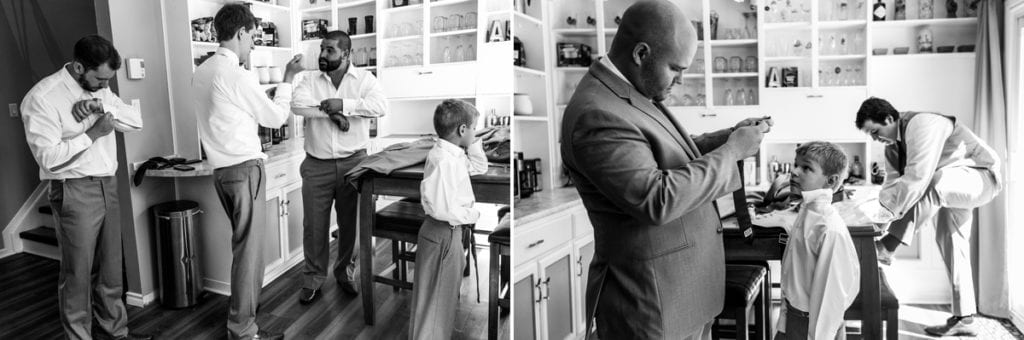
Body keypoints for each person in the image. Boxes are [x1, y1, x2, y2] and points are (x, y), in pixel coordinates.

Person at [559, 1, 772, 338]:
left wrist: (727, 137)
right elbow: (655, 198)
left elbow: (671, 153)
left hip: (678, 293)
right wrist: (732, 153)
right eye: (676, 68)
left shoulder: (630, 92)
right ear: (641, 53)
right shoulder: (596, 112)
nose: (681, 80)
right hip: (649, 304)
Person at [20, 35, 150, 340]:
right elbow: (49, 160)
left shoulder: (101, 92)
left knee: (111, 269)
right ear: (79, 67)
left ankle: (116, 333)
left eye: (108, 81)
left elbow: (136, 122)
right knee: (78, 274)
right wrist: (93, 132)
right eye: (100, 79)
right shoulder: (42, 98)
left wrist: (101, 105)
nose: (106, 85)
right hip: (73, 190)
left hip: (108, 184)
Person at [191, 4, 303, 339]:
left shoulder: (202, 70)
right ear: (240, 32)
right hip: (244, 170)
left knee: (243, 248)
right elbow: (274, 117)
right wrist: (287, 79)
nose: (253, 44)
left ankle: (242, 324)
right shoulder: (235, 73)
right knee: (250, 254)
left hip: (221, 172)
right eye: (252, 36)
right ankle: (243, 330)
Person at [855, 97, 1001, 337]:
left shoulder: (921, 124)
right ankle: (965, 318)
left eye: (875, 131)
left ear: (890, 118)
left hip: (980, 176)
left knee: (932, 184)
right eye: (870, 135)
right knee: (952, 243)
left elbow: (917, 178)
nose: (874, 139)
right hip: (953, 183)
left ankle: (887, 248)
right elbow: (891, 187)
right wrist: (877, 219)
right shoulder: (892, 146)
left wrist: (886, 231)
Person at [290, 30, 387, 304]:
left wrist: (344, 104)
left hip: (354, 163)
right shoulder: (309, 78)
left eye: (330, 50)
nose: (322, 54)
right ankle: (312, 279)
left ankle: (345, 273)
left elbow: (380, 106)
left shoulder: (366, 79)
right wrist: (332, 113)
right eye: (321, 49)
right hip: (316, 165)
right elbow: (297, 105)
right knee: (314, 227)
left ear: (347, 54)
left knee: (352, 226)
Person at [408, 99, 489, 339]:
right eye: (474, 128)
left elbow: (479, 166)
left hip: (447, 233)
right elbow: (442, 209)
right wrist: (473, 214)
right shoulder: (443, 161)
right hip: (443, 231)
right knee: (435, 303)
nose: (475, 132)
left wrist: (473, 144)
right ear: (462, 130)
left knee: (438, 301)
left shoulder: (453, 154)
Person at [775, 142, 860, 340]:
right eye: (796, 165)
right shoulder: (807, 212)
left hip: (812, 324)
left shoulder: (828, 228)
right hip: (795, 316)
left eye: (806, 168)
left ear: (831, 181)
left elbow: (830, 297)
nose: (794, 172)